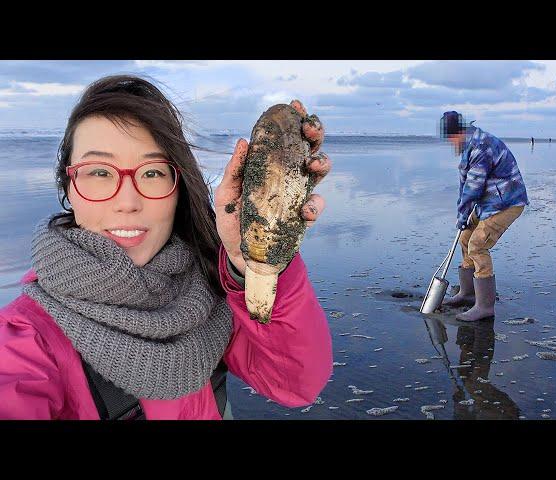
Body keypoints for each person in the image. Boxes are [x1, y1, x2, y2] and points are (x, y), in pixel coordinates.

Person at [0, 75, 334, 420]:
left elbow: (296, 383)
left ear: (179, 187)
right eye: (99, 172)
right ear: (67, 187)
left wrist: (257, 262)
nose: (127, 202)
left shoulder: (207, 289)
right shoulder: (25, 341)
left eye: (153, 172)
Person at [439, 111, 529, 321]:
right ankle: (468, 293)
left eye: (451, 138)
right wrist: (463, 215)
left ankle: (485, 306)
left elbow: (473, 187)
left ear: (457, 133)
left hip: (507, 203)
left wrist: (462, 213)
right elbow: (466, 185)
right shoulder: (469, 144)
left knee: (478, 244)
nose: (451, 143)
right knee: (465, 238)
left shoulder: (481, 146)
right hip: (487, 203)